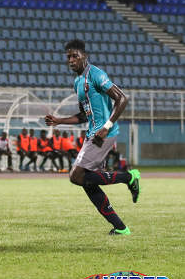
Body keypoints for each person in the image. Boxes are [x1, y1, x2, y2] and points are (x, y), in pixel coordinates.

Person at [45, 39, 140, 235]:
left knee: (76, 176)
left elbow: (122, 98)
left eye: (75, 56)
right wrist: (59, 120)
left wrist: (106, 127)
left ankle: (129, 177)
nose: (71, 60)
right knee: (87, 182)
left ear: (84, 57)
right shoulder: (78, 82)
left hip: (103, 134)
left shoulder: (96, 74)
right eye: (68, 57)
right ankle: (120, 227)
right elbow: (83, 115)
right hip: (93, 135)